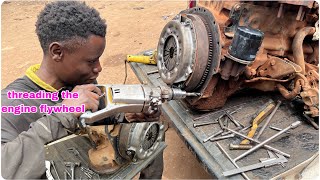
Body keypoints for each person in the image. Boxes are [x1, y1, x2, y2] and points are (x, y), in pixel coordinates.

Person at [1, 1, 163, 179]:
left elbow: (101, 120)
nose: (99, 68)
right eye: (91, 61)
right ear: (57, 52)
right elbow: (5, 167)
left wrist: (126, 118)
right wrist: (64, 114)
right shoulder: (11, 105)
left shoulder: (82, 83)